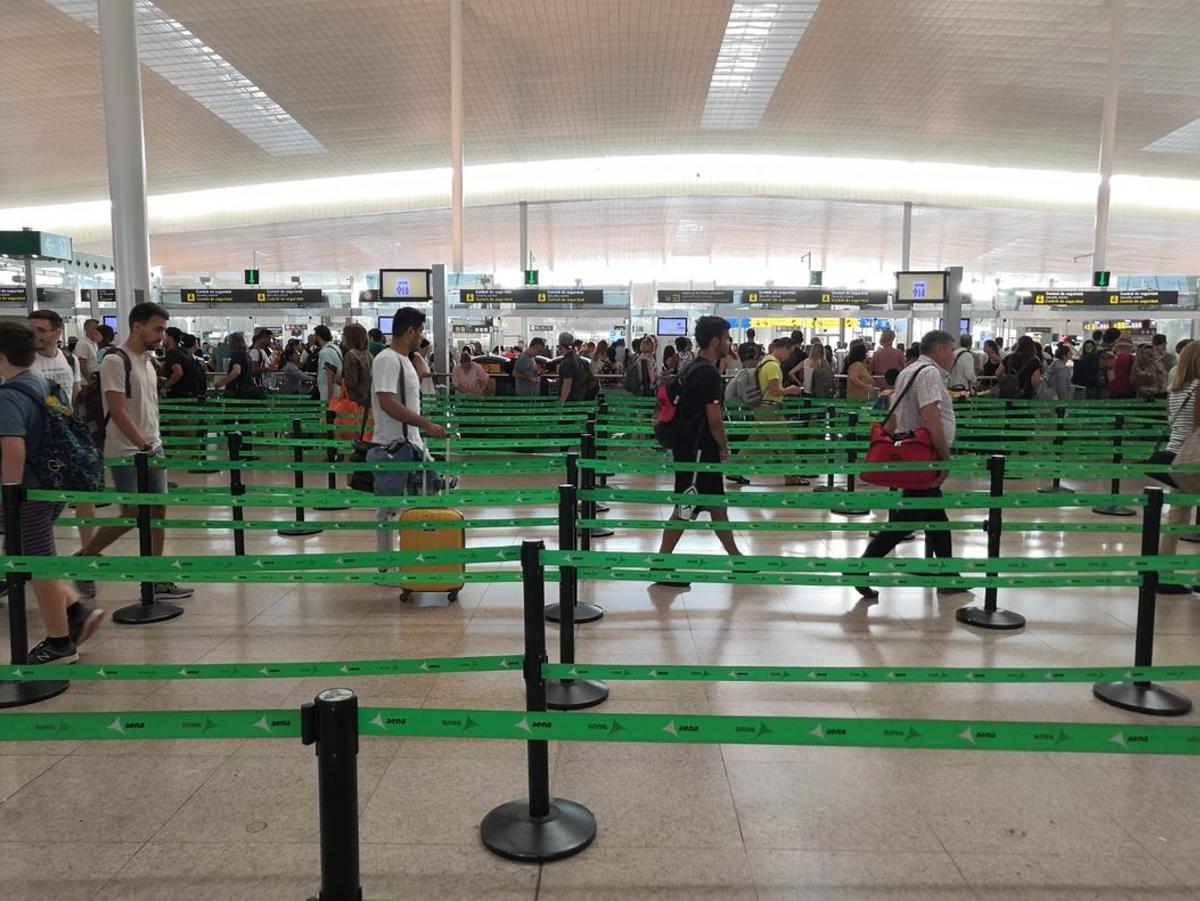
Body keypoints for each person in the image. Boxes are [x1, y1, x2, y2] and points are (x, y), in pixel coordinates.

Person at [0, 322, 104, 663]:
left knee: (40, 565)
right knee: (38, 558)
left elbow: (12, 450)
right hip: (53, 485)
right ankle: (77, 612)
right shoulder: (44, 384)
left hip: (28, 492)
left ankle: (59, 644)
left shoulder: (9, 396)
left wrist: (10, 496)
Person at [75, 302, 192, 602]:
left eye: (163, 329)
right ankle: (85, 557)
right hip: (128, 450)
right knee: (133, 512)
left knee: (158, 512)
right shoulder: (116, 360)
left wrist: (154, 443)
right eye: (157, 328)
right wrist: (143, 445)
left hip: (152, 446)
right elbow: (116, 410)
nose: (162, 335)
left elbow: (146, 408)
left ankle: (155, 577)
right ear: (137, 326)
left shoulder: (147, 361)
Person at [856, 330, 964, 599]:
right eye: (951, 350)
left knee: (935, 516)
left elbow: (895, 417)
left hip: (915, 455)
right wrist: (945, 457)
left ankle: (948, 575)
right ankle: (860, 567)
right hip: (923, 457)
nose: (953, 356)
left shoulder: (908, 371)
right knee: (909, 520)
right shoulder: (928, 373)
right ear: (938, 350)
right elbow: (929, 417)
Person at [653, 316, 742, 586]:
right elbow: (714, 418)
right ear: (716, 340)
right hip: (699, 452)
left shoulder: (692, 367)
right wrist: (724, 446)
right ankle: (660, 565)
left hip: (693, 449)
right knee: (685, 505)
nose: (729, 343)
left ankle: (736, 559)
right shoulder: (708, 373)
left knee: (716, 505)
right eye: (727, 338)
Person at [371, 307, 448, 558]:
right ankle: (387, 565)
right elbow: (387, 401)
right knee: (388, 509)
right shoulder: (386, 359)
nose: (421, 336)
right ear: (410, 330)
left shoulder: (405, 360)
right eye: (420, 330)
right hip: (393, 447)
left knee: (432, 494)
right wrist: (426, 424)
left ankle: (419, 557)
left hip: (412, 445)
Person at [1156, 342, 1200, 593]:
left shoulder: (1177, 388)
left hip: (1177, 456)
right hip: (1195, 456)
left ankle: (1164, 571)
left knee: (1177, 515)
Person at [755, 337, 806, 487]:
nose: (789, 357)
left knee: (755, 442)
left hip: (761, 407)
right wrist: (790, 390)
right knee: (785, 443)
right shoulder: (773, 366)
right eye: (789, 353)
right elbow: (775, 390)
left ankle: (734, 469)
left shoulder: (765, 361)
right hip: (770, 408)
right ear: (783, 348)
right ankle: (792, 477)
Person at [27, 310, 82, 404]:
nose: (34, 335)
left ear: (57, 333)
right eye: (30, 330)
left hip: (65, 417)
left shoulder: (70, 359)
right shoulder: (20, 361)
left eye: (40, 330)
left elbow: (75, 393)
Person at [161, 327, 205, 399]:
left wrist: (165, 387)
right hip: (194, 392)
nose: (161, 338)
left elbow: (178, 373)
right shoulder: (182, 351)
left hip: (181, 395)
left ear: (170, 337)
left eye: (164, 335)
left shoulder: (172, 352)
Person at [340, 323, 375, 409]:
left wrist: (337, 379)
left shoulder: (350, 355)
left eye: (344, 334)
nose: (342, 337)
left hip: (354, 402)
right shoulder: (369, 355)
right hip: (368, 401)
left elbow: (352, 383)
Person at [215, 332, 259, 398]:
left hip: (236, 392)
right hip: (246, 390)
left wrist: (220, 383)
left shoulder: (237, 354)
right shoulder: (247, 355)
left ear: (233, 342)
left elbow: (236, 371)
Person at [556, 331, 592, 402]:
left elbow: (567, 385)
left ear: (560, 344)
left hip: (570, 401)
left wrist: (561, 402)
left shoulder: (567, 362)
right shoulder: (576, 357)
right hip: (578, 397)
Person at [311, 325, 343, 404]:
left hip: (329, 393)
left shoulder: (325, 352)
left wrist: (329, 399)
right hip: (336, 391)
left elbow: (330, 375)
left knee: (328, 415)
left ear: (318, 336)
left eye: (314, 335)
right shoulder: (335, 348)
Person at [75, 318, 101, 382]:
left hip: (95, 379)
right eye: (94, 328)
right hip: (86, 383)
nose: (96, 331)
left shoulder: (93, 343)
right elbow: (82, 365)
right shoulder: (83, 343)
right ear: (86, 329)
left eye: (97, 329)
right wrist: (90, 381)